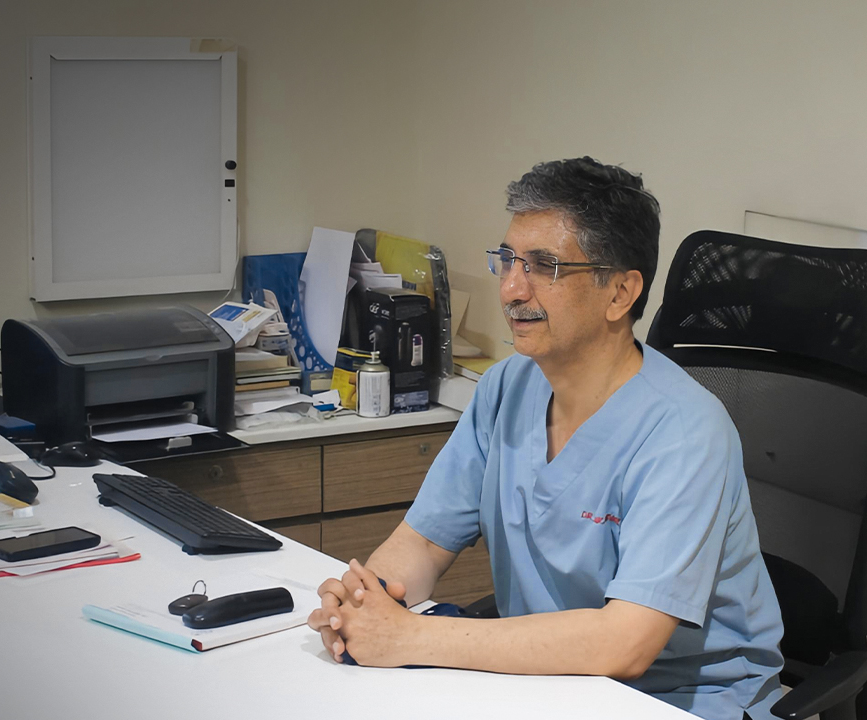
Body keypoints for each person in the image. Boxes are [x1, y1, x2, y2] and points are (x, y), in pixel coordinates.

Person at [307, 157, 784, 720]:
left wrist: (410, 637)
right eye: (508, 260)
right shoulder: (506, 386)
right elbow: (426, 541)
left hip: (676, 702)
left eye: (544, 266)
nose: (511, 289)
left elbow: (626, 645)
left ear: (620, 293)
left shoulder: (684, 432)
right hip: (546, 686)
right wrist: (364, 603)